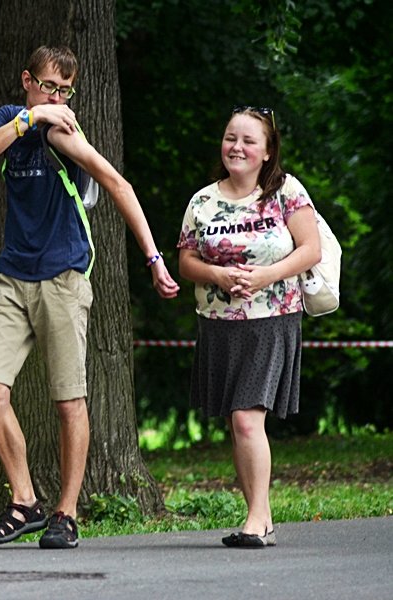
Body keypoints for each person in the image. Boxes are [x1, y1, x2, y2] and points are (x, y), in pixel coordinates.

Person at [0, 45, 179, 550]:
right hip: (13, 276)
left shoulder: (66, 133)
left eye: (66, 91)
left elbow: (117, 183)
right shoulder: (13, 119)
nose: (58, 97)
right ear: (27, 80)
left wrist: (153, 259)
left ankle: (66, 513)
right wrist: (33, 115)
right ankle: (24, 502)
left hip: (63, 276)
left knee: (69, 401)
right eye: (49, 86)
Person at [176, 106, 321, 548]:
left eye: (248, 141)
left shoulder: (286, 192)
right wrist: (218, 276)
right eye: (230, 138)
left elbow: (310, 249)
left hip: (271, 318)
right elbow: (185, 261)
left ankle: (256, 520)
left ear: (267, 150)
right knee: (238, 420)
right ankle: (262, 515)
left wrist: (265, 276)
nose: (236, 147)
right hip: (219, 324)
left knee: (245, 418)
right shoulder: (202, 201)